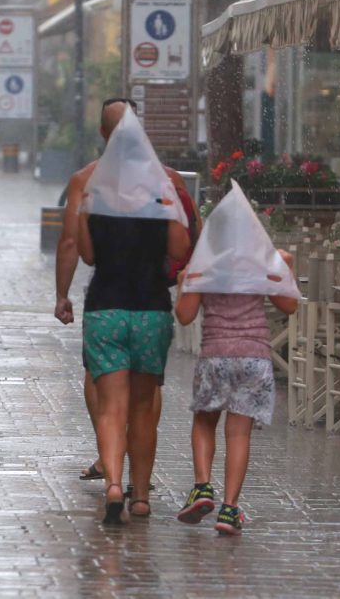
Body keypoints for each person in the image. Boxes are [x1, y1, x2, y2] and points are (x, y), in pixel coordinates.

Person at [54, 99, 200, 500]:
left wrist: (62, 294)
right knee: (145, 398)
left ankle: (112, 472)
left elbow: (77, 247)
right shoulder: (167, 181)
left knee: (106, 397)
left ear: (104, 135)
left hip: (106, 304)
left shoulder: (86, 181)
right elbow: (188, 241)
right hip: (152, 304)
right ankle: (139, 491)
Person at [173, 185, 298, 536]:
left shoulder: (205, 264)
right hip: (254, 357)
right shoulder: (263, 261)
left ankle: (201, 486)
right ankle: (229, 510)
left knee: (204, 421)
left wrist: (185, 283)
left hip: (216, 355)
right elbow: (289, 306)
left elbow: (184, 316)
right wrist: (284, 269)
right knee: (239, 434)